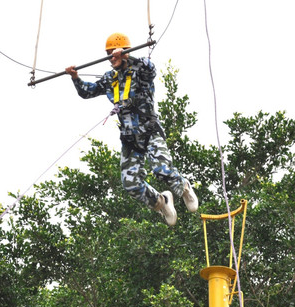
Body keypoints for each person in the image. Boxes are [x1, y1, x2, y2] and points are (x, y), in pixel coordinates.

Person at [65, 32, 198, 226]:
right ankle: (161, 202)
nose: (112, 58)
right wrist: (75, 77)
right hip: (130, 138)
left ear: (125, 53)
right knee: (131, 184)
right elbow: (88, 92)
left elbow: (150, 69)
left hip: (149, 130)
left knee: (162, 170)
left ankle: (184, 187)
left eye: (115, 54)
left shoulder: (140, 72)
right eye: (109, 54)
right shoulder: (110, 77)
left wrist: (129, 57)